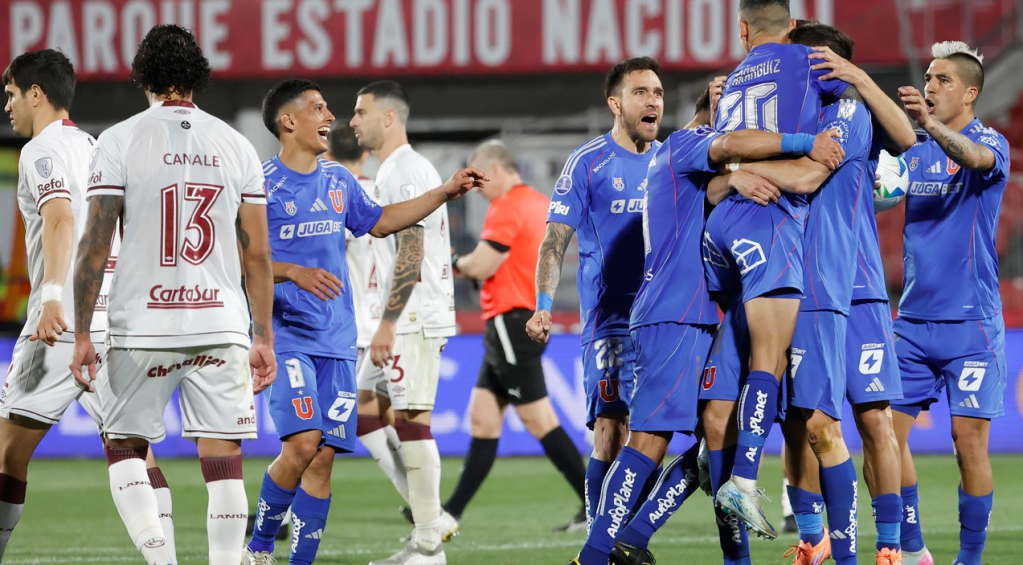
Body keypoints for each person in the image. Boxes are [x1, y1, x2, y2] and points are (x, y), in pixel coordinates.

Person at [244, 80, 486, 565]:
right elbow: (242, 257)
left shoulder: (338, 181)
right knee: (303, 445)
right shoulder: (260, 184)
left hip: (338, 339)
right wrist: (291, 274)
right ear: (287, 122)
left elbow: (381, 220)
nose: (330, 115)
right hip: (289, 336)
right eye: (317, 108)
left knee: (324, 457)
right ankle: (258, 548)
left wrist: (443, 192)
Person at [68, 25, 277, 565]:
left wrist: (85, 332)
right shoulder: (237, 145)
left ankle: (162, 560)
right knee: (223, 457)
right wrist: (264, 338)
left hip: (143, 324)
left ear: (143, 76)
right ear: (198, 77)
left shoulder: (118, 140)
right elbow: (256, 254)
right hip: (222, 324)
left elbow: (94, 246)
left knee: (124, 446)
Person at [0, 48, 178, 561]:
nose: (7, 105)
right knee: (133, 451)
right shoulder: (100, 147)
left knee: (9, 454)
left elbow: (59, 220)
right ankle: (163, 559)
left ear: (36, 94)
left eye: (11, 95)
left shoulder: (42, 150)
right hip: (118, 321)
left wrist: (53, 297)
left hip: (59, 327)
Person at [698, 0, 848, 542]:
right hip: (769, 219)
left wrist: (738, 171)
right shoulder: (808, 60)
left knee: (739, 346)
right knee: (772, 355)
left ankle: (709, 444)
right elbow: (814, 170)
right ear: (790, 28)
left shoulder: (733, 78)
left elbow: (722, 149)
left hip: (719, 223)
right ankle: (742, 478)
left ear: (742, 29)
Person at [776, 21, 917, 565]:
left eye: (808, 60)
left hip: (858, 289)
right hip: (798, 286)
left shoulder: (853, 109)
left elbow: (906, 139)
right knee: (802, 424)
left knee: (875, 420)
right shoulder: (791, 118)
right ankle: (815, 541)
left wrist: (859, 78)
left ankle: (889, 548)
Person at [525, 56, 663, 536]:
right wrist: (543, 306)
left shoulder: (669, 160)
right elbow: (554, 241)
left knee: (653, 437)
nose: (653, 101)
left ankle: (624, 536)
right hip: (610, 322)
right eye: (641, 92)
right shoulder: (589, 162)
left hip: (664, 320)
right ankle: (598, 540)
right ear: (615, 103)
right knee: (612, 429)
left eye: (658, 93)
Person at [891, 41, 1009, 565]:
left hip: (971, 326)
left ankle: (970, 559)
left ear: (970, 92)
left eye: (942, 81)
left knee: (969, 445)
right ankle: (914, 551)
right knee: (883, 439)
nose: (931, 87)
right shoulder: (911, 149)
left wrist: (929, 127)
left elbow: (972, 156)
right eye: (930, 79)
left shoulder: (992, 145)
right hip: (911, 323)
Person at [444, 139, 587, 531]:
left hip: (511, 322)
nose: (478, 187)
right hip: (529, 316)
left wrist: (452, 263)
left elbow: (483, 263)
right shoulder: (541, 203)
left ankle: (595, 504)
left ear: (497, 168)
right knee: (483, 418)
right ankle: (449, 511)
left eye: (480, 178)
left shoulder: (506, 205)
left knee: (540, 420)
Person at [351, 80, 459, 565]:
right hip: (405, 313)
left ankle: (428, 547)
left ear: (388, 118)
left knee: (414, 422)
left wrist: (388, 322)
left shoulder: (406, 171)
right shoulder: (392, 171)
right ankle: (429, 523)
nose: (352, 121)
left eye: (360, 112)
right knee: (367, 410)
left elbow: (411, 251)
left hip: (412, 316)